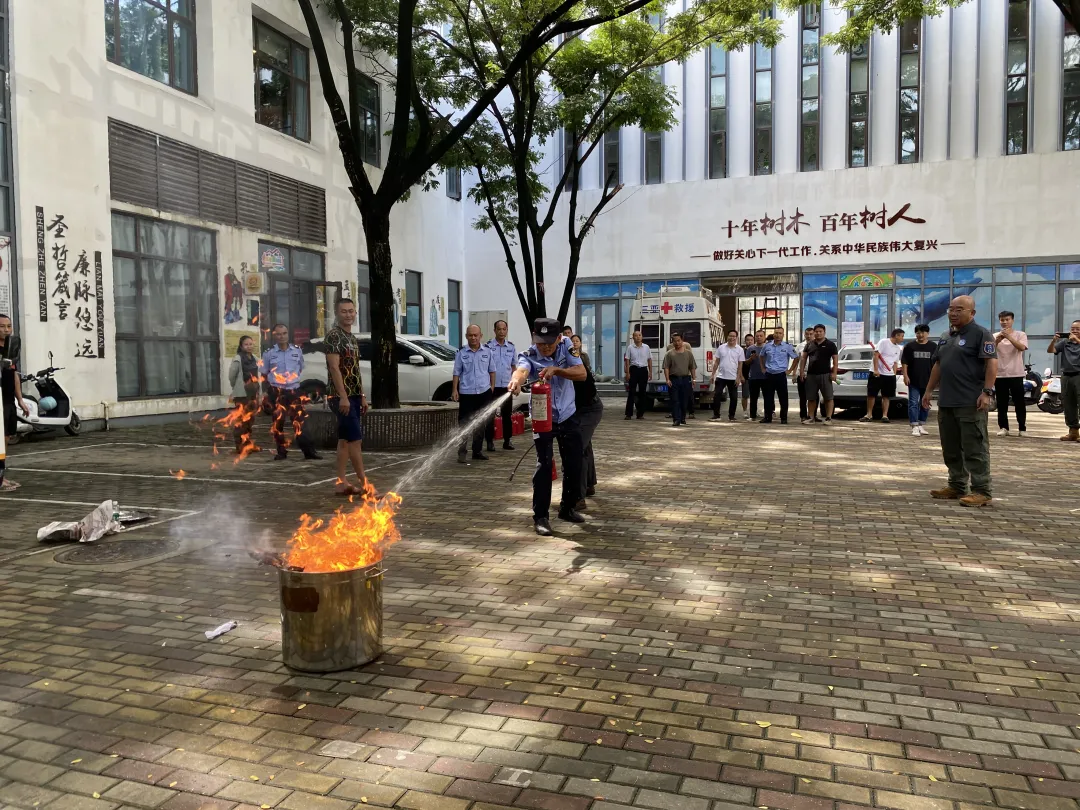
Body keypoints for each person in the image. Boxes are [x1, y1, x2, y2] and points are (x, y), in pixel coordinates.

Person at [507, 318, 587, 536]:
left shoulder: (567, 346)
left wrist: (557, 370)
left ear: (559, 338)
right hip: (543, 419)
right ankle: (541, 517)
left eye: (549, 343)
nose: (544, 347)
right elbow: (521, 371)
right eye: (540, 342)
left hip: (568, 415)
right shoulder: (529, 354)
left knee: (574, 464)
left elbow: (581, 373)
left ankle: (567, 508)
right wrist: (516, 381)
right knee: (544, 466)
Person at [921, 295, 997, 507]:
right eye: (950, 309)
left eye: (959, 309)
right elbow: (938, 365)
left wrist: (987, 392)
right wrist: (928, 390)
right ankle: (956, 485)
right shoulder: (946, 336)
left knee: (975, 448)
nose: (953, 313)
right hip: (947, 401)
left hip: (970, 401)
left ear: (972, 313)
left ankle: (982, 490)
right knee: (951, 447)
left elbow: (991, 364)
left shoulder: (981, 334)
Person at [324, 299, 368, 496]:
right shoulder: (334, 336)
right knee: (354, 441)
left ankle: (341, 483)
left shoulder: (352, 338)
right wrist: (343, 397)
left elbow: (355, 370)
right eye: (344, 311)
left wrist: (362, 395)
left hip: (354, 395)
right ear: (337, 313)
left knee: (344, 440)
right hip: (341, 396)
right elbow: (334, 368)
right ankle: (366, 486)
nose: (348, 315)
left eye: (351, 311)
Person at [263, 324, 321, 461]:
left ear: (288, 334)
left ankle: (309, 452)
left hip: (294, 391)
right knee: (278, 423)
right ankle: (281, 452)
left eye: (284, 333)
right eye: (278, 334)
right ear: (274, 335)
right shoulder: (269, 353)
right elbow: (264, 373)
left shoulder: (297, 351)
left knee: (300, 422)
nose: (282, 336)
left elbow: (300, 368)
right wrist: (267, 392)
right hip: (277, 392)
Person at [453, 324, 496, 463]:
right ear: (466, 336)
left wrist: (492, 387)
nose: (473, 338)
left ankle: (477, 451)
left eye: (475, 335)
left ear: (480, 336)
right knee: (464, 423)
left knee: (481, 422)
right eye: (470, 335)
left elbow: (492, 370)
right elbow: (456, 372)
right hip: (467, 392)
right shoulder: (461, 352)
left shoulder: (487, 351)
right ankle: (462, 452)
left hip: (484, 391)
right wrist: (454, 390)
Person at [570, 336, 603, 509]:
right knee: (585, 446)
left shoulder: (577, 363)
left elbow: (584, 392)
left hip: (590, 408)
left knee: (577, 448)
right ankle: (589, 484)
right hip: (577, 409)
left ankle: (577, 497)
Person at [0, 314, 25, 492]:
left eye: (9, 326)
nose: (6, 330)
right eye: (2, 326)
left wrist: (20, 399)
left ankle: (1, 475)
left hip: (9, 400)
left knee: (7, 438)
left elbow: (14, 374)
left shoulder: (12, 347)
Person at [993, 311, 1028, 437]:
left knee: (1019, 402)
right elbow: (989, 350)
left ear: (1012, 320)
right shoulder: (994, 335)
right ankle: (1003, 427)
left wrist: (1009, 337)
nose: (1005, 322)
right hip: (1000, 374)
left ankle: (1022, 428)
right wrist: (998, 340)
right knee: (1001, 403)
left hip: (1016, 373)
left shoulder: (1020, 334)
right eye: (1002, 320)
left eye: (1007, 319)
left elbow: (1022, 347)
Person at [227, 335, 262, 455]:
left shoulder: (255, 358)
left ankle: (248, 444)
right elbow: (231, 376)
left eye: (250, 344)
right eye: (246, 344)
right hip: (242, 395)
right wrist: (236, 387)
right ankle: (240, 446)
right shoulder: (238, 358)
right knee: (241, 421)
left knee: (249, 421)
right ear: (241, 346)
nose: (249, 346)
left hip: (253, 394)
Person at [862, 328, 905, 423]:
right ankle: (869, 415)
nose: (903, 338)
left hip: (889, 375)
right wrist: (876, 370)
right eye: (902, 336)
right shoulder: (884, 342)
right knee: (871, 394)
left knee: (886, 396)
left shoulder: (898, 348)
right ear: (896, 335)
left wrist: (894, 374)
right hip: (877, 373)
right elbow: (876, 355)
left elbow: (895, 362)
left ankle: (885, 415)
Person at [485, 319, 516, 451]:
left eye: (504, 329)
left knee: (507, 415)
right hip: (492, 387)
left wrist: (515, 383)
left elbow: (514, 367)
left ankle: (507, 441)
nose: (502, 332)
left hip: (506, 386)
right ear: (495, 330)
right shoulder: (488, 347)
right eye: (499, 329)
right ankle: (489, 442)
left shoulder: (511, 347)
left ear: (507, 330)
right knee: (490, 415)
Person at [901, 323, 937, 437]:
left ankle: (921, 424)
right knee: (913, 403)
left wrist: (937, 379)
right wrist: (905, 376)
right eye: (918, 333)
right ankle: (914, 425)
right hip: (913, 380)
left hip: (928, 380)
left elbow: (937, 364)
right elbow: (904, 362)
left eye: (923, 333)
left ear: (928, 333)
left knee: (925, 402)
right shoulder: (910, 346)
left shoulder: (933, 347)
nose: (920, 335)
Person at [798, 324, 838, 425]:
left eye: (820, 331)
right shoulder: (809, 344)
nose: (818, 333)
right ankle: (811, 417)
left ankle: (828, 418)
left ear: (824, 332)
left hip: (825, 375)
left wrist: (834, 373)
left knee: (828, 398)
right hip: (811, 375)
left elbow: (835, 360)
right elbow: (803, 358)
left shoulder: (830, 344)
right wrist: (801, 372)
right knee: (811, 398)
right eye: (816, 331)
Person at [1049, 319, 1080, 442]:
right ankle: (1073, 431)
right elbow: (1051, 350)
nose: (1074, 331)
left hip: (1079, 375)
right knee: (1068, 403)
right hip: (1066, 375)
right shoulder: (1065, 342)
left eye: (1077, 329)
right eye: (1073, 329)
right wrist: (1053, 341)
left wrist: (1077, 339)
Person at [759, 327, 798, 424]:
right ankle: (767, 417)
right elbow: (761, 356)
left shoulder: (787, 346)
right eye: (776, 333)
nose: (778, 335)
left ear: (783, 335)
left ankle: (783, 418)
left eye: (780, 333)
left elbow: (796, 358)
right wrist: (763, 368)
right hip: (769, 374)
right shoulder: (767, 345)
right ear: (773, 334)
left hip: (781, 375)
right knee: (768, 397)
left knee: (783, 397)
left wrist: (790, 370)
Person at [663, 332, 696, 426]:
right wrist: (667, 379)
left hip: (686, 379)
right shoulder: (669, 354)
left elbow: (692, 367)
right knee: (675, 400)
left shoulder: (688, 353)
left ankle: (682, 418)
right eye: (675, 341)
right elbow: (666, 367)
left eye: (678, 341)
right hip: (674, 379)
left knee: (684, 400)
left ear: (682, 341)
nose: (677, 343)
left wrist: (693, 379)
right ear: (672, 342)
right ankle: (676, 419)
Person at [710, 330, 744, 422]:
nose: (732, 338)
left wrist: (738, 377)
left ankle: (731, 416)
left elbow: (740, 364)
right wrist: (713, 374)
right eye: (730, 336)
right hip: (721, 376)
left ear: (736, 338)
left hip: (733, 377)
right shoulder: (721, 347)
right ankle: (716, 415)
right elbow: (716, 362)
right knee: (717, 395)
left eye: (734, 336)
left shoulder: (740, 350)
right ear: (727, 336)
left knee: (734, 398)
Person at [623, 330, 652, 420]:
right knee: (631, 392)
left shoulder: (646, 347)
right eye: (636, 335)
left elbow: (649, 359)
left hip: (643, 370)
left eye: (639, 335)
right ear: (633, 337)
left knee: (642, 392)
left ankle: (640, 414)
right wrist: (627, 373)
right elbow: (627, 360)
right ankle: (628, 414)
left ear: (642, 337)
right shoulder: (630, 347)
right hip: (634, 369)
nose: (638, 337)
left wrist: (650, 372)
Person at [793, 327, 815, 421]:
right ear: (804, 335)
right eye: (807, 334)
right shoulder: (800, 346)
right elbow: (796, 360)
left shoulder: (817, 345)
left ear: (814, 334)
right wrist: (794, 373)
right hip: (802, 374)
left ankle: (813, 415)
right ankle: (803, 415)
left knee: (814, 396)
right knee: (803, 396)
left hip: (814, 374)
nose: (809, 336)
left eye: (811, 334)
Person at [745, 330, 768, 421]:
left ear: (764, 337)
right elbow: (746, 363)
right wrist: (751, 358)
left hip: (766, 376)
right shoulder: (750, 348)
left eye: (761, 336)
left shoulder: (768, 347)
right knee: (753, 397)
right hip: (753, 376)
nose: (759, 337)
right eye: (757, 336)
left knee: (767, 397)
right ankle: (752, 416)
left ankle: (767, 415)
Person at [740, 333, 755, 417]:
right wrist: (741, 375)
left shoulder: (756, 350)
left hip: (755, 376)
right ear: (745, 341)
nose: (749, 342)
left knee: (754, 395)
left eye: (751, 340)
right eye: (748, 340)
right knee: (745, 395)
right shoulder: (742, 351)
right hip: (745, 375)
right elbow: (741, 364)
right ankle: (745, 411)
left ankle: (754, 411)